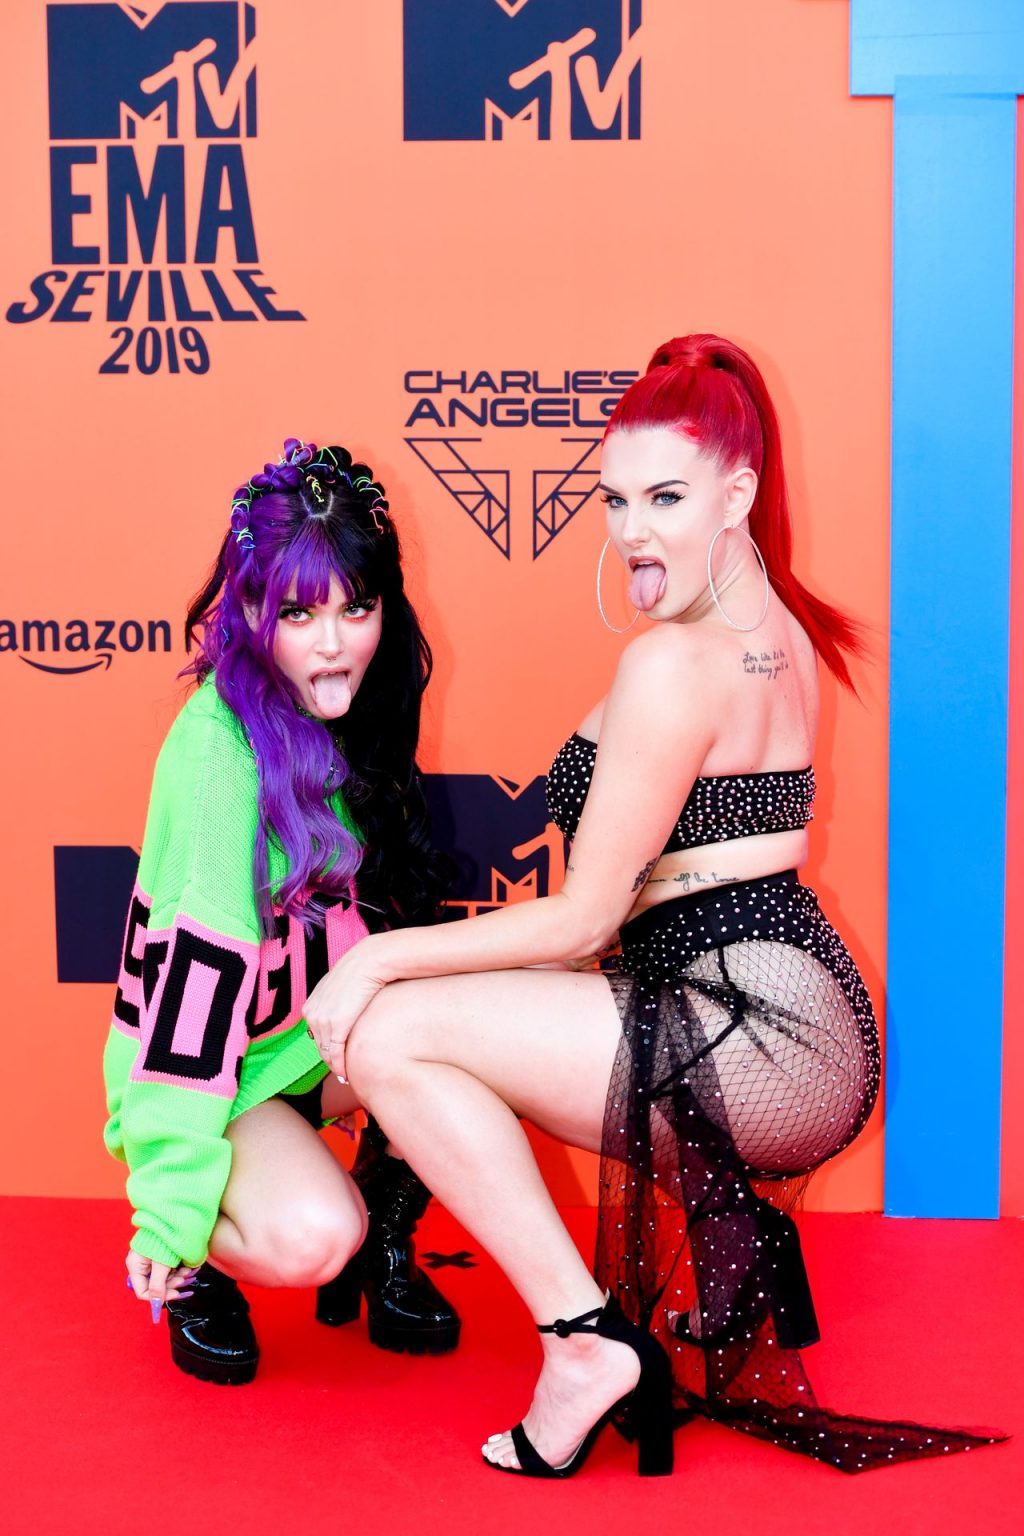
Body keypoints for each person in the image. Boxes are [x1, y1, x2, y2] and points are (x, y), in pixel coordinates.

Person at [302, 338, 1004, 1475]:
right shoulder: (775, 629)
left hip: (747, 1034)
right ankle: (676, 1263)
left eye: (665, 498)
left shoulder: (677, 664)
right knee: (419, 1029)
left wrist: (374, 962)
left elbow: (586, 920)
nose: (632, 531)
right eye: (615, 499)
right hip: (789, 1020)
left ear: (738, 493)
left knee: (387, 1033)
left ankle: (580, 1346)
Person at [103, 438, 460, 1385]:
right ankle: (201, 1262)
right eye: (299, 612)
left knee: (490, 1019)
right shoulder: (221, 753)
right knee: (313, 1237)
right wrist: (170, 1213)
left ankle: (389, 1243)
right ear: (251, 609)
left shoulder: (356, 705)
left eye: (356, 608)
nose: (334, 642)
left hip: (305, 1034)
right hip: (221, 1071)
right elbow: (190, 1005)